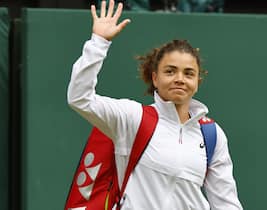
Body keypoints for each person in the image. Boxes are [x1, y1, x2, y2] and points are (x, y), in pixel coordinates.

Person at [67, 0, 243, 209]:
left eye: (189, 73)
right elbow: (80, 98)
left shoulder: (212, 134)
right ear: (155, 78)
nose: (180, 79)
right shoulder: (132, 117)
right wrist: (99, 43)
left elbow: (226, 203)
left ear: (197, 82)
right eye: (170, 71)